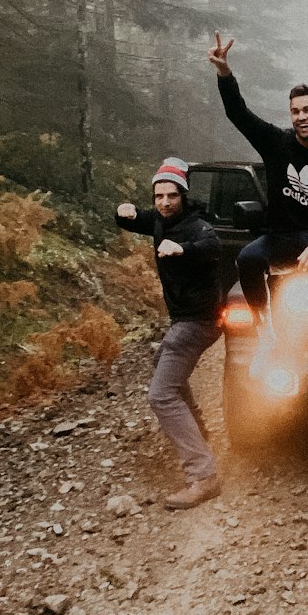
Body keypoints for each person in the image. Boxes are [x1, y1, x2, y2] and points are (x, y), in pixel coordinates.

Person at [207, 32, 308, 373]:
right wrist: (224, 74)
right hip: (282, 236)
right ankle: (267, 336)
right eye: (295, 111)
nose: (301, 116)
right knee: (247, 258)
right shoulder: (277, 143)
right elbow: (239, 114)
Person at [115, 157, 224, 510]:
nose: (164, 202)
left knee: (160, 395)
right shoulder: (161, 221)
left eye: (171, 195)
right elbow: (136, 221)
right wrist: (124, 213)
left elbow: (213, 247)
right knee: (163, 361)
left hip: (200, 321)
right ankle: (198, 434)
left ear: (183, 197)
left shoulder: (196, 227)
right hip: (184, 320)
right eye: (158, 195)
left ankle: (203, 476)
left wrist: (183, 250)